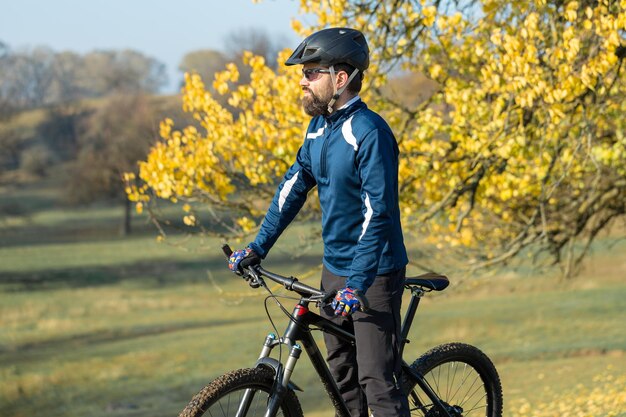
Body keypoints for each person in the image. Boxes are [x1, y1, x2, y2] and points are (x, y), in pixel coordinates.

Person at [228, 27, 410, 417]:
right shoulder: (318, 129)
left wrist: (358, 284)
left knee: (376, 382)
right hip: (334, 273)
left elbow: (378, 215)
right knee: (343, 377)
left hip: (374, 275)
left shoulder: (370, 133)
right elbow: (291, 189)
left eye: (312, 72)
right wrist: (258, 246)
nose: (302, 80)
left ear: (340, 79)